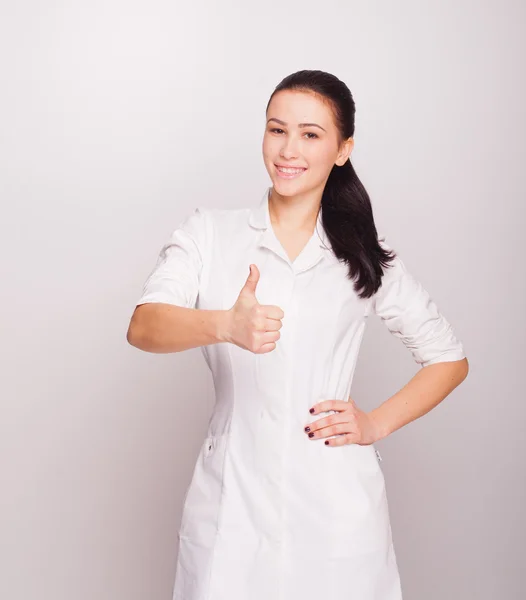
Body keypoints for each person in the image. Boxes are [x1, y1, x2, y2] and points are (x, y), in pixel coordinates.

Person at [126, 69, 469, 600]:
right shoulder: (209, 233)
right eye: (276, 129)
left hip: (336, 507)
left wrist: (374, 423)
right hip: (231, 499)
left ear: (342, 149)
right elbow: (144, 325)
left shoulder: (363, 257)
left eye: (311, 134)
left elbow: (448, 358)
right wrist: (224, 324)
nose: (288, 149)